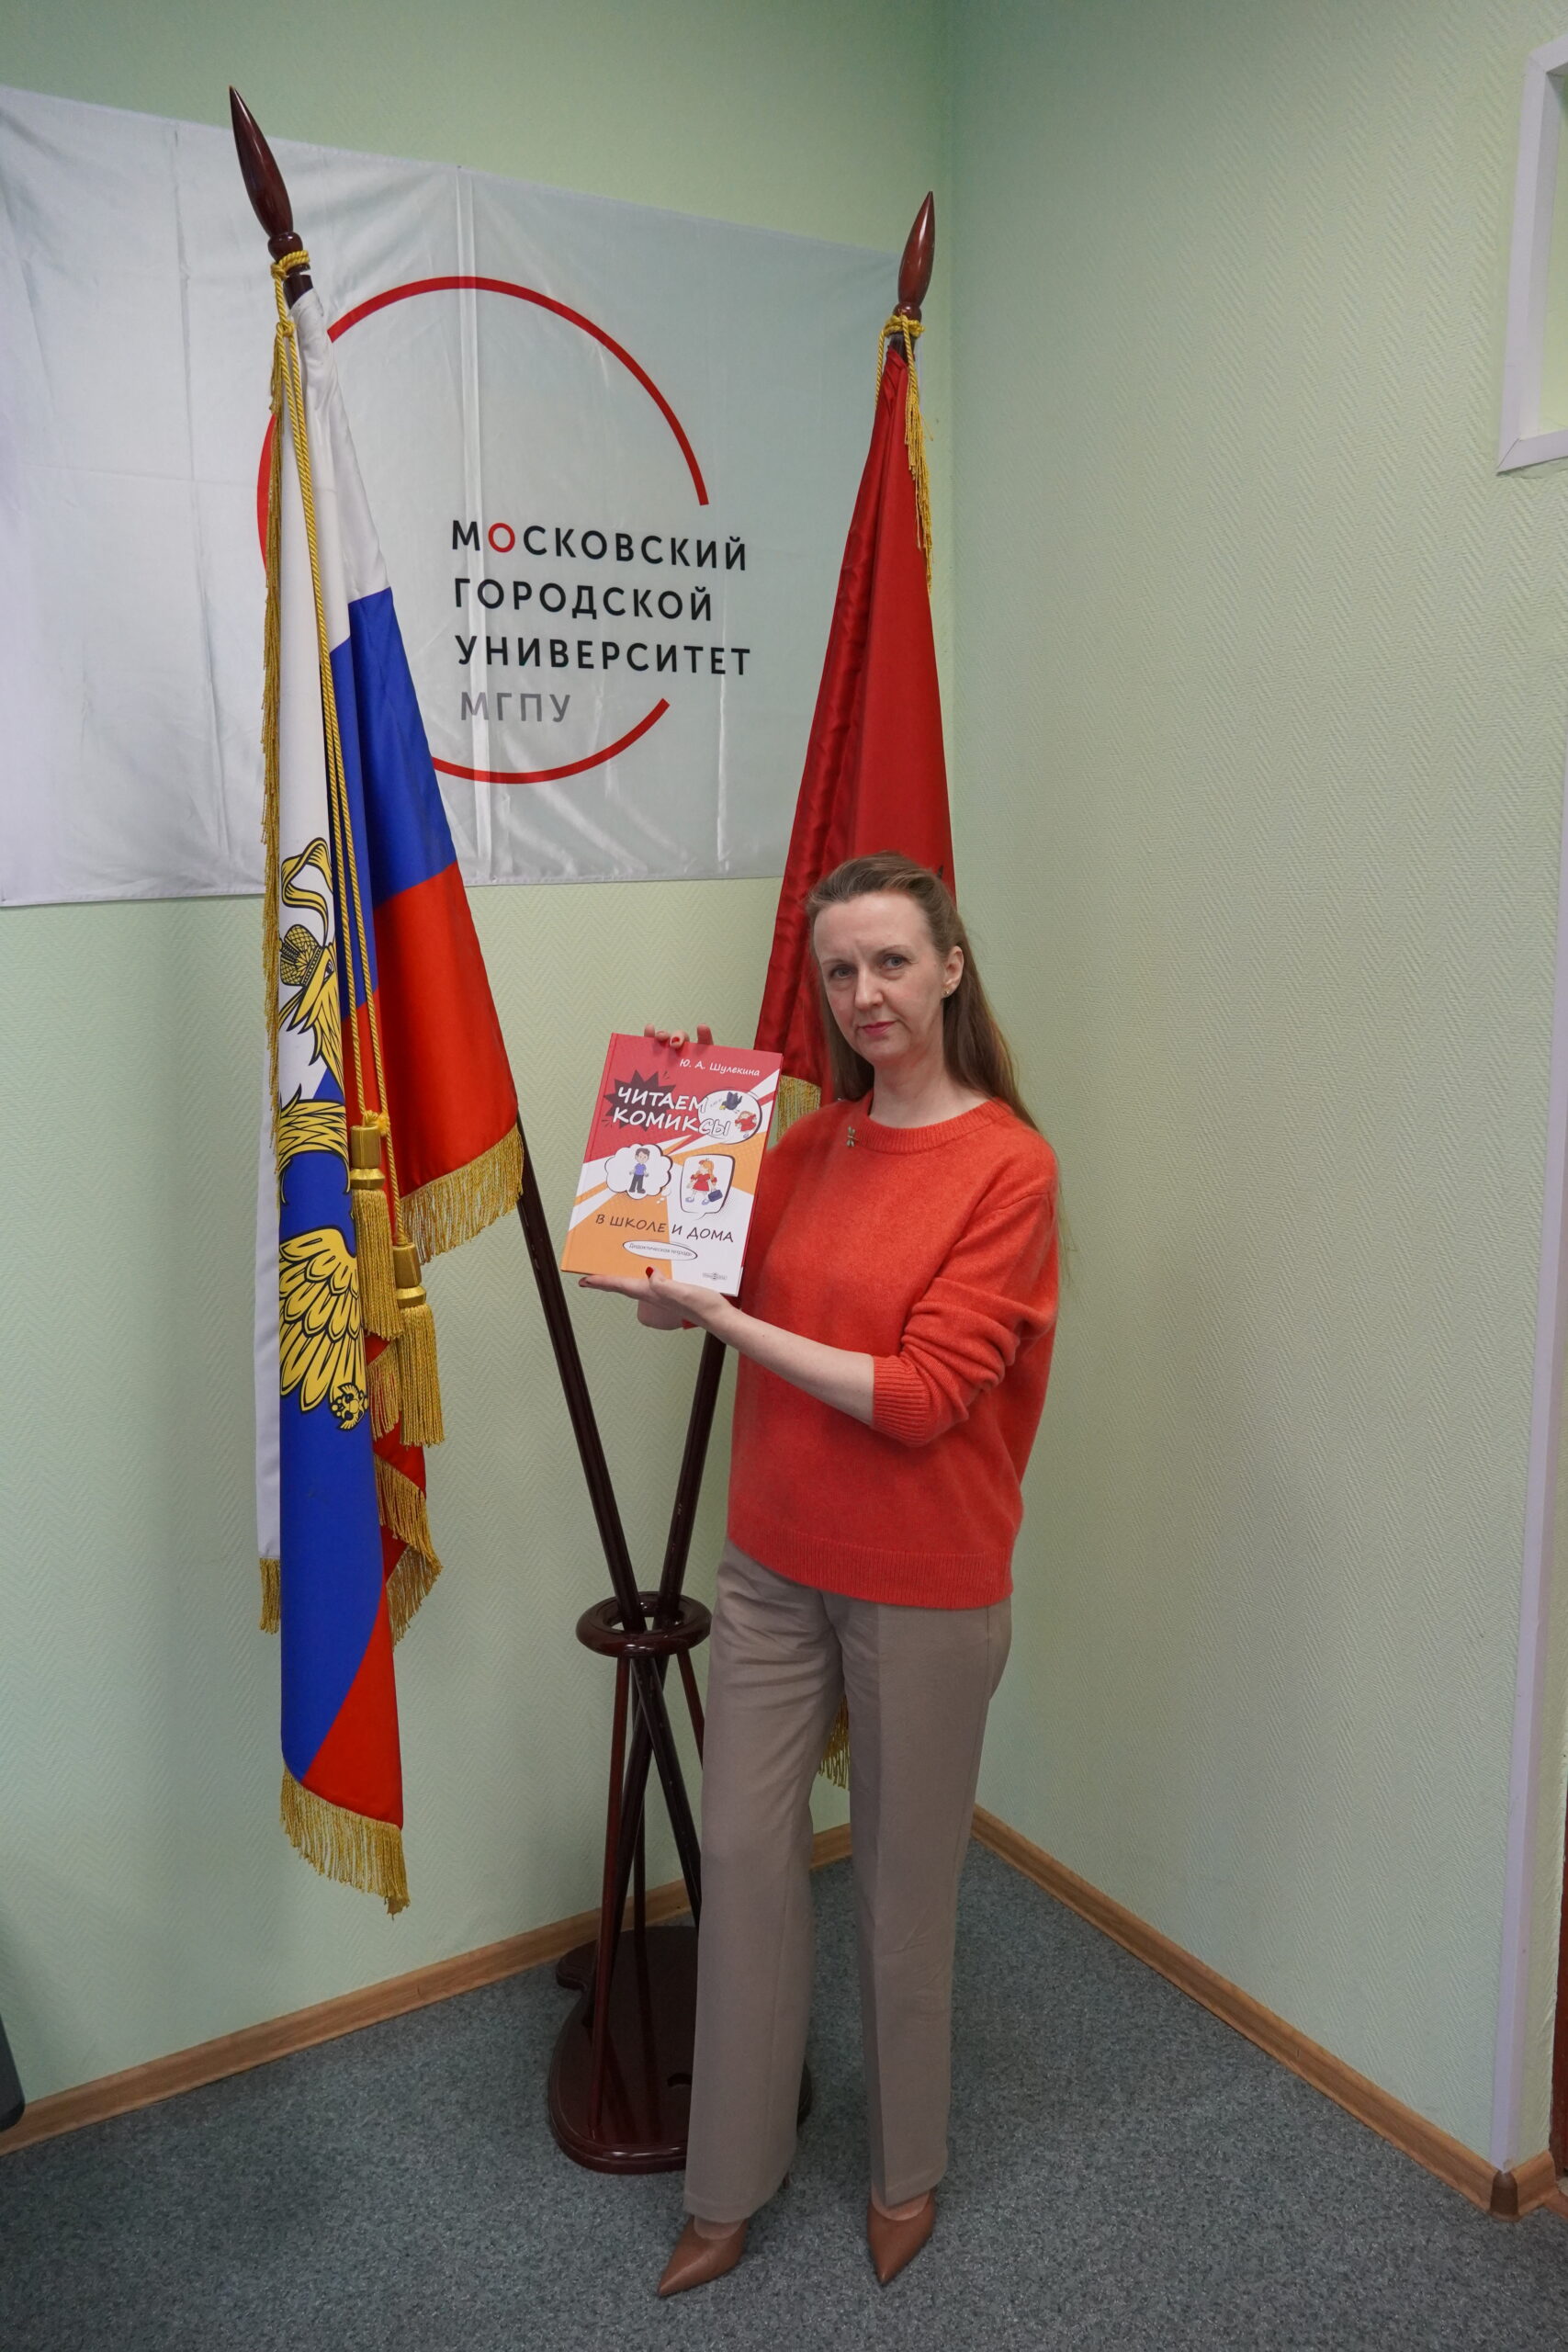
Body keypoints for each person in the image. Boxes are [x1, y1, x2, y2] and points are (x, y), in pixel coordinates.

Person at [579, 852, 1059, 2296]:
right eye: (841, 971)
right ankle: (727, 2184)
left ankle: (905, 2169)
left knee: (902, 1897)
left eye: (892, 962)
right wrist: (666, 1202)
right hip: (773, 1563)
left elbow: (920, 1398)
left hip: (925, 1582)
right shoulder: (801, 1146)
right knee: (738, 1863)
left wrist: (732, 1326)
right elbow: (685, 1308)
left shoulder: (1008, 1167)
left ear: (951, 968)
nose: (866, 995)